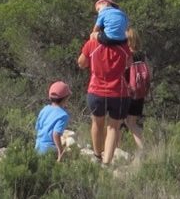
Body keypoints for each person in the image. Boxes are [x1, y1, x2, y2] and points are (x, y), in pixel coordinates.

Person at [76, 28, 132, 165]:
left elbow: (81, 63)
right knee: (113, 127)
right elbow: (128, 64)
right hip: (118, 92)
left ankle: (97, 155)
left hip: (96, 91)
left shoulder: (92, 44)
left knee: (97, 123)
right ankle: (107, 162)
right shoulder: (124, 47)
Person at [35, 81, 73, 160]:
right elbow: (56, 134)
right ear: (65, 98)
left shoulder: (44, 109)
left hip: (38, 146)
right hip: (49, 149)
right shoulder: (63, 115)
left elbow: (38, 127)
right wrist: (60, 151)